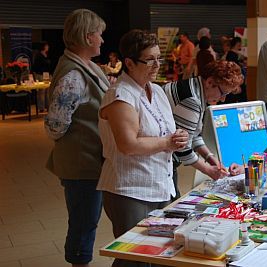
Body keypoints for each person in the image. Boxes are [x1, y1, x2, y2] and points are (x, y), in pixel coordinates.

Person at [96, 29, 189, 267]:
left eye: (159, 58)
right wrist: (168, 142)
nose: (157, 65)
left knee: (162, 253)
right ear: (128, 62)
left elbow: (164, 131)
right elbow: (128, 145)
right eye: (150, 60)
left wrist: (178, 137)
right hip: (130, 189)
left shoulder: (156, 90)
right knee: (135, 259)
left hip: (161, 183)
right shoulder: (120, 95)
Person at [44, 9, 109, 267]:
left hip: (91, 161)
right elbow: (56, 125)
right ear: (87, 36)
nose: (102, 40)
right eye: (99, 35)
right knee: (84, 221)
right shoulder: (73, 76)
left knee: (87, 218)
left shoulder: (86, 67)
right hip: (81, 164)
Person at [163, 60, 243, 199]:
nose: (223, 99)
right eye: (223, 93)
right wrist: (208, 170)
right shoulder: (191, 99)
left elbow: (194, 135)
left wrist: (212, 160)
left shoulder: (195, 89)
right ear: (210, 82)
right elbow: (183, 148)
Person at [32, 41, 51, 112]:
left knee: (47, 92)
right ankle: (41, 107)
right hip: (40, 75)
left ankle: (48, 106)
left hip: (47, 75)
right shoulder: (38, 55)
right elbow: (36, 67)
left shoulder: (46, 54)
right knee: (41, 92)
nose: (48, 47)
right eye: (46, 46)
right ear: (43, 47)